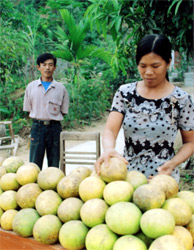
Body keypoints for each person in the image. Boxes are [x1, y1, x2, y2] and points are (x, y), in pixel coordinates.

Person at [95, 34, 194, 182]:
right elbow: (110, 130)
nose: (148, 72)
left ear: (168, 63)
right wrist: (109, 149)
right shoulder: (125, 93)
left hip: (163, 179)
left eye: (155, 66)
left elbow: (190, 142)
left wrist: (173, 164)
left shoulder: (181, 99)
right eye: (143, 66)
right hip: (126, 178)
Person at [23, 53, 69, 169]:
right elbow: (28, 109)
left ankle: (52, 186)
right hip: (37, 127)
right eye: (44, 65)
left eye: (50, 65)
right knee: (34, 163)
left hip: (55, 128)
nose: (47, 68)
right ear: (38, 67)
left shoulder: (61, 88)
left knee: (54, 162)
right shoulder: (31, 87)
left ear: (54, 67)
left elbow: (63, 111)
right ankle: (33, 186)